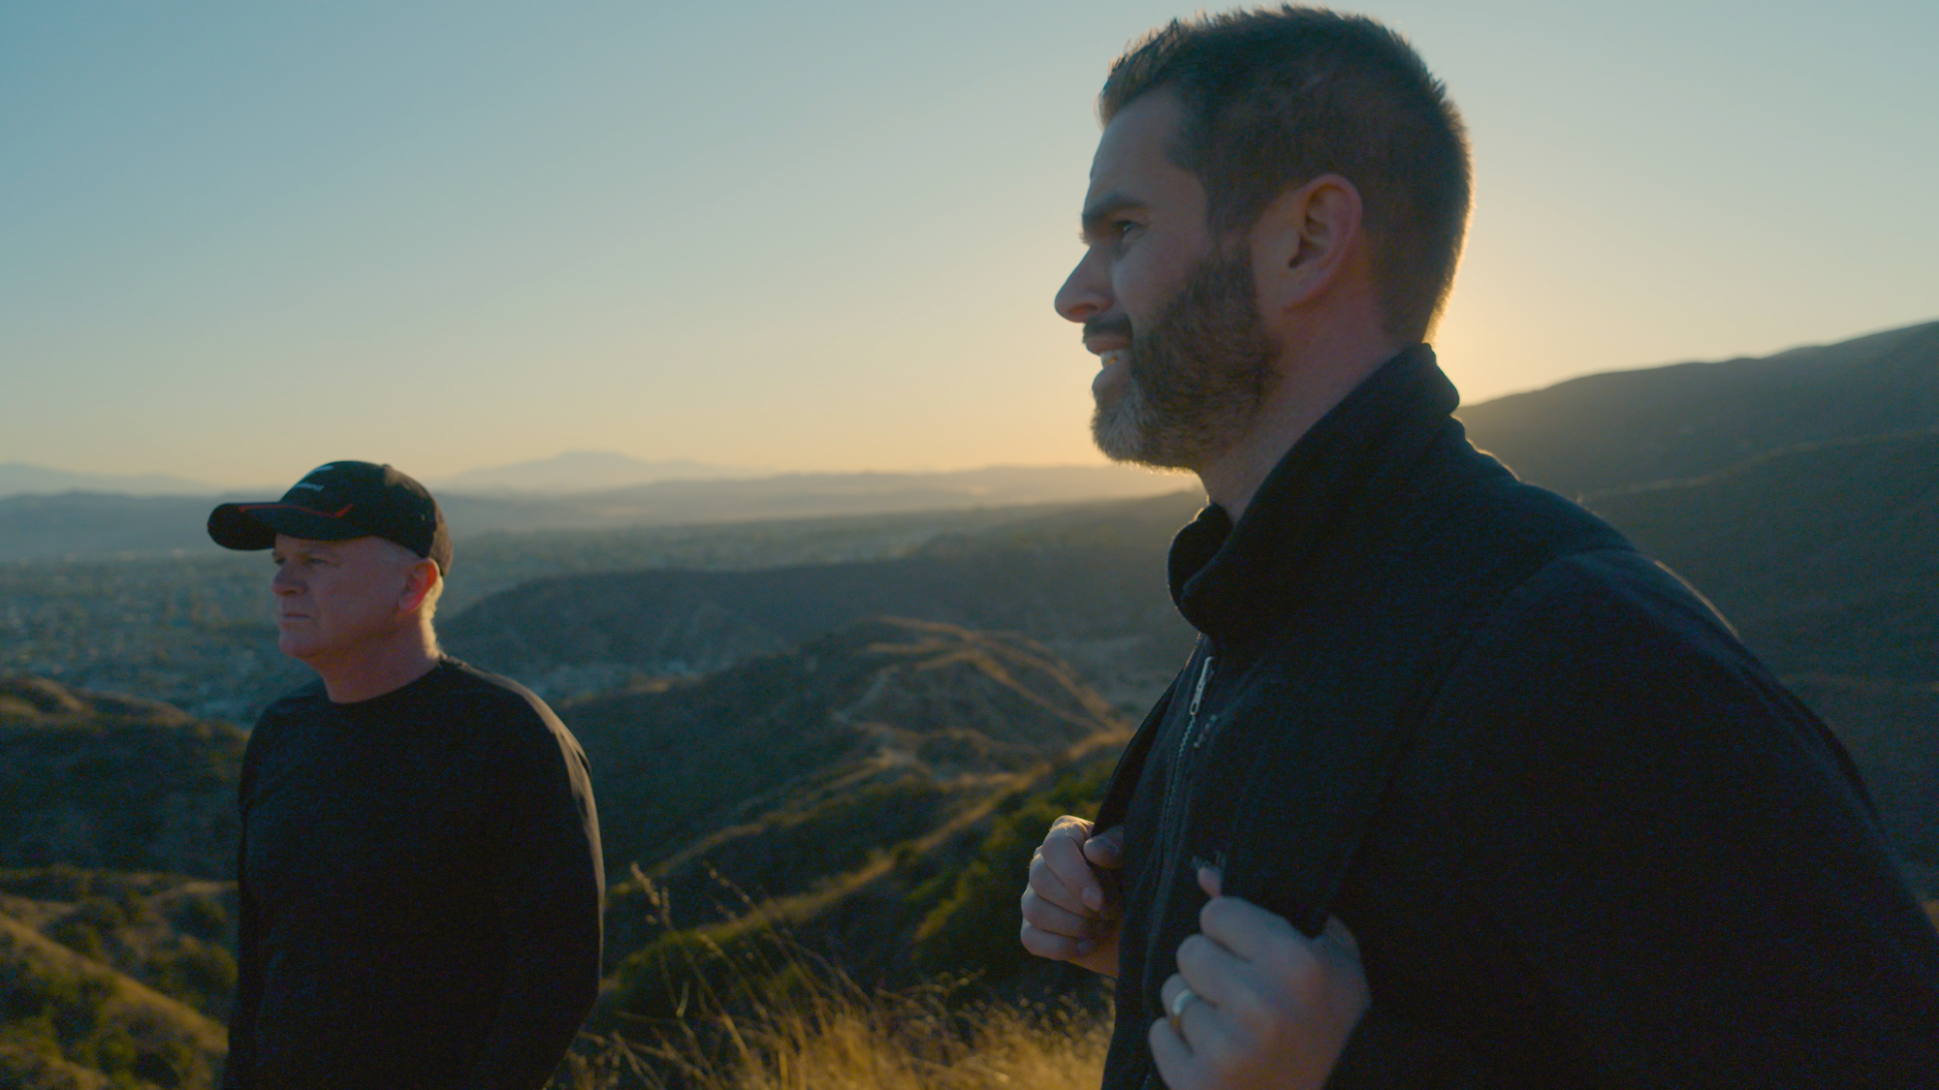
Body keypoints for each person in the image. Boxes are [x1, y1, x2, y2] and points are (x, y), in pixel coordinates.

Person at [1018, 9, 1939, 1089]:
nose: (1075, 296)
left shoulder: (1591, 664)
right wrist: (1145, 936)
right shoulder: (1257, 622)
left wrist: (1361, 1071)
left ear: (1307, 238)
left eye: (1120, 230)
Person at [207, 460, 604, 1090]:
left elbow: (557, 978)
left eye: (316, 561)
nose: (282, 583)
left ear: (412, 586)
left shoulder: (510, 738)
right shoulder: (281, 733)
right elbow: (261, 962)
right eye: (279, 561)